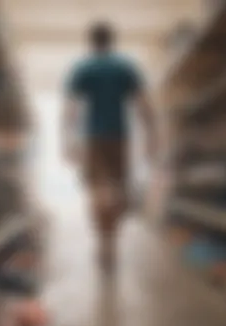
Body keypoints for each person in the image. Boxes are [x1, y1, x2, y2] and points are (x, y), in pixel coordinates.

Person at [62, 21, 157, 271]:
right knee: (117, 191)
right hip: (120, 138)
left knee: (96, 191)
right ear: (112, 41)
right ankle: (110, 242)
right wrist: (151, 137)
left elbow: (71, 110)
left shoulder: (83, 68)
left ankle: (104, 242)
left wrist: (67, 140)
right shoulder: (126, 67)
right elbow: (144, 105)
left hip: (92, 138)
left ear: (91, 42)